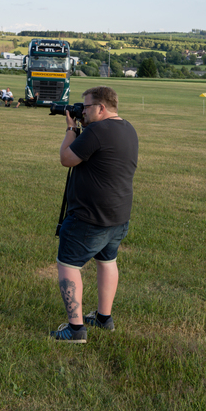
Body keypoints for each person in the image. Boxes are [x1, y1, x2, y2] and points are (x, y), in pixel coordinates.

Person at [50, 86, 138, 343]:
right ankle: (103, 318)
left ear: (101, 108)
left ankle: (75, 329)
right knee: (107, 261)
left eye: (86, 107)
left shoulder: (97, 131)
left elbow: (67, 158)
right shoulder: (127, 128)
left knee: (68, 264)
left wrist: (70, 129)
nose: (82, 111)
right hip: (118, 215)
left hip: (89, 217)